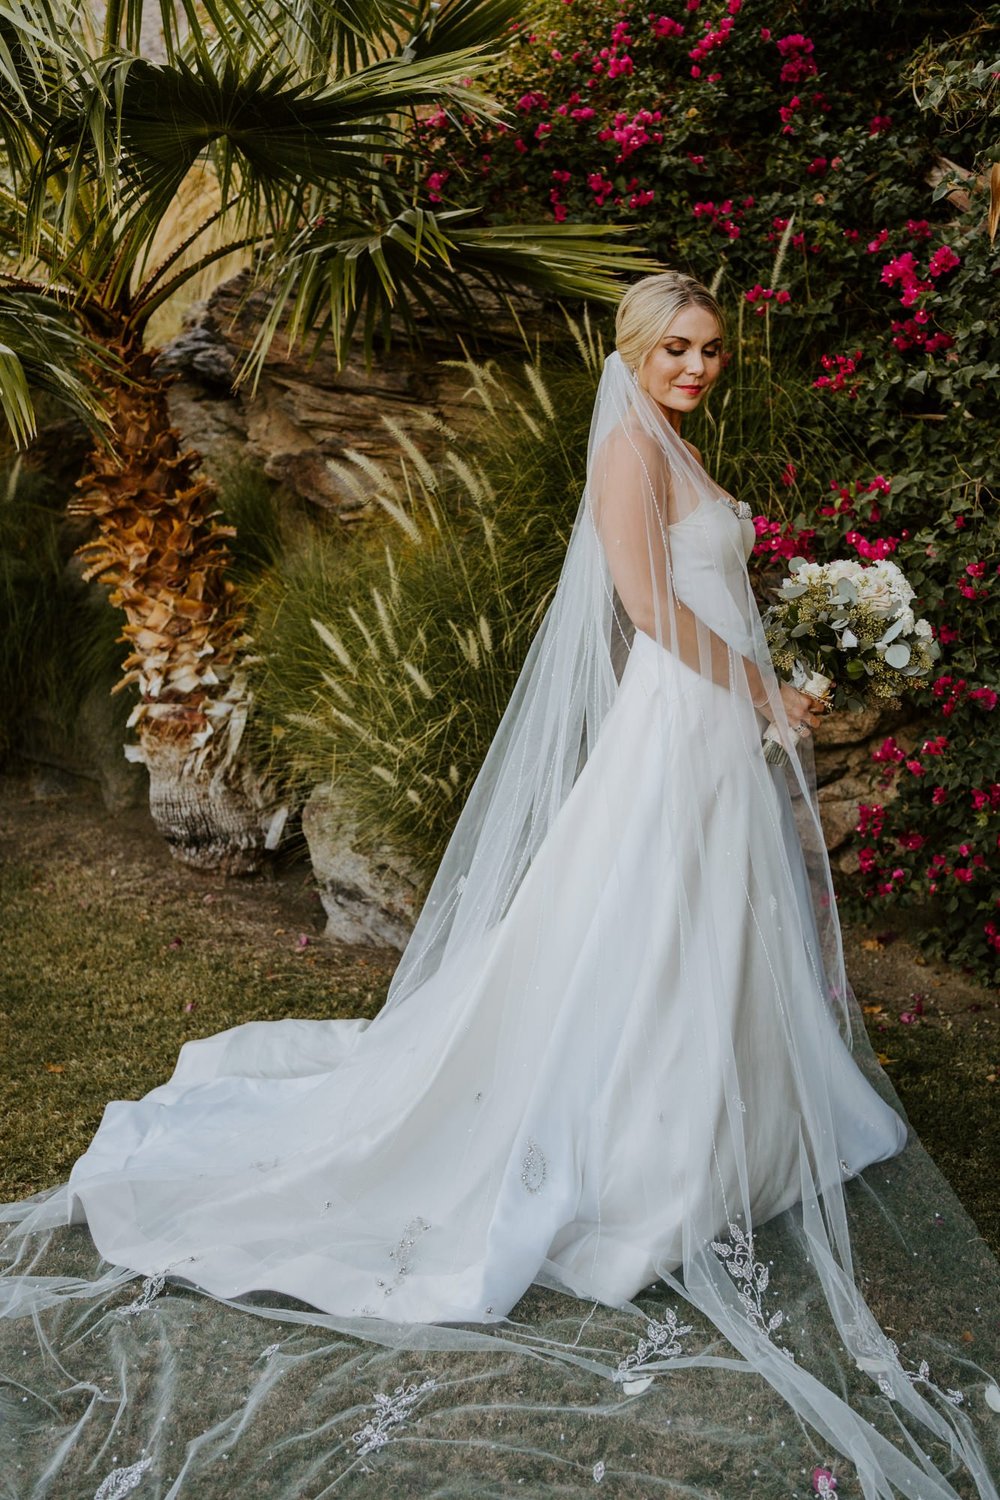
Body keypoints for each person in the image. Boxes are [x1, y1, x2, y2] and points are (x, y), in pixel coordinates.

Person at [1, 272, 997, 1499]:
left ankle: (726, 1118)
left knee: (707, 928)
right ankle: (645, 1145)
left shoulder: (674, 441)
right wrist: (760, 692)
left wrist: (781, 657)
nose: (697, 364)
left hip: (705, 727)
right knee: (644, 922)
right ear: (633, 350)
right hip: (678, 727)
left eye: (709, 349)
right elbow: (643, 606)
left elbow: (701, 592)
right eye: (676, 346)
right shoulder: (629, 452)